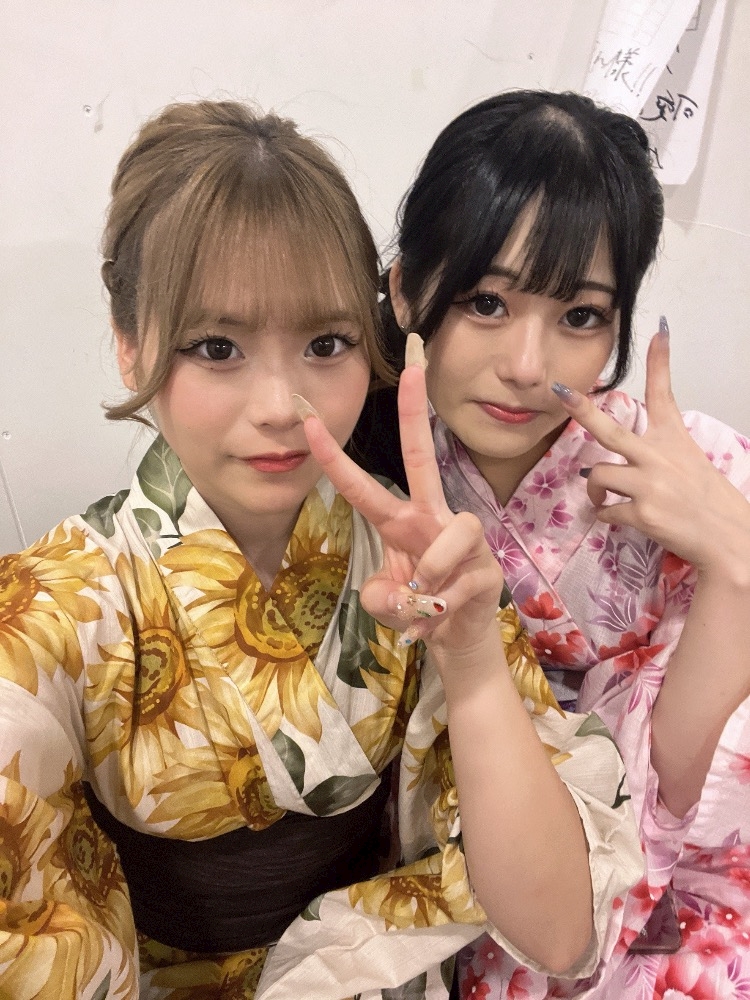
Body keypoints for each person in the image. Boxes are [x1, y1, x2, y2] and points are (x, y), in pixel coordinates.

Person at [0, 99, 641, 1000]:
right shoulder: (56, 607)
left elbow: (559, 931)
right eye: (216, 346)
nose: (281, 405)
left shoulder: (420, 568)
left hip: (368, 973)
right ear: (130, 345)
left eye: (327, 343)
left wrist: (470, 657)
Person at [352, 89, 750, 999]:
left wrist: (736, 564)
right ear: (408, 289)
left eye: (580, 317)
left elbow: (684, 795)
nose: (528, 367)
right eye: (487, 301)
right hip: (480, 898)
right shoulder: (369, 479)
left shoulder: (701, 472)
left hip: (683, 903)